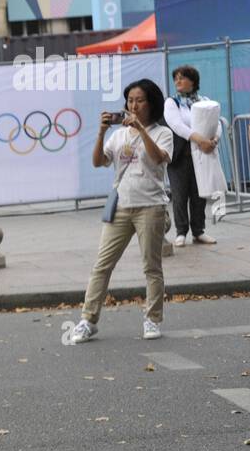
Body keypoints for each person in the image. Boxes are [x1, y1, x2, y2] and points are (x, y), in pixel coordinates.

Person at [70, 78, 174, 344]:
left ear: (151, 103)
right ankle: (87, 320)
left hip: (151, 206)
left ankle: (152, 319)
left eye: (140, 100)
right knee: (102, 265)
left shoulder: (163, 133)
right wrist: (101, 132)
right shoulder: (118, 135)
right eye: (130, 100)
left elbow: (157, 158)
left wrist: (140, 129)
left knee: (152, 267)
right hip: (121, 207)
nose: (134, 105)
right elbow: (98, 162)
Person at [163, 65, 220, 246]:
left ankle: (199, 230)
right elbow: (177, 125)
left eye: (182, 77)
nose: (178, 81)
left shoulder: (204, 101)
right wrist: (200, 140)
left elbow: (216, 122)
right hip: (180, 156)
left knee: (199, 194)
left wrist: (213, 140)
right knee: (180, 195)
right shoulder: (172, 102)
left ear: (193, 81)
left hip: (201, 155)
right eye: (176, 78)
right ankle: (181, 232)